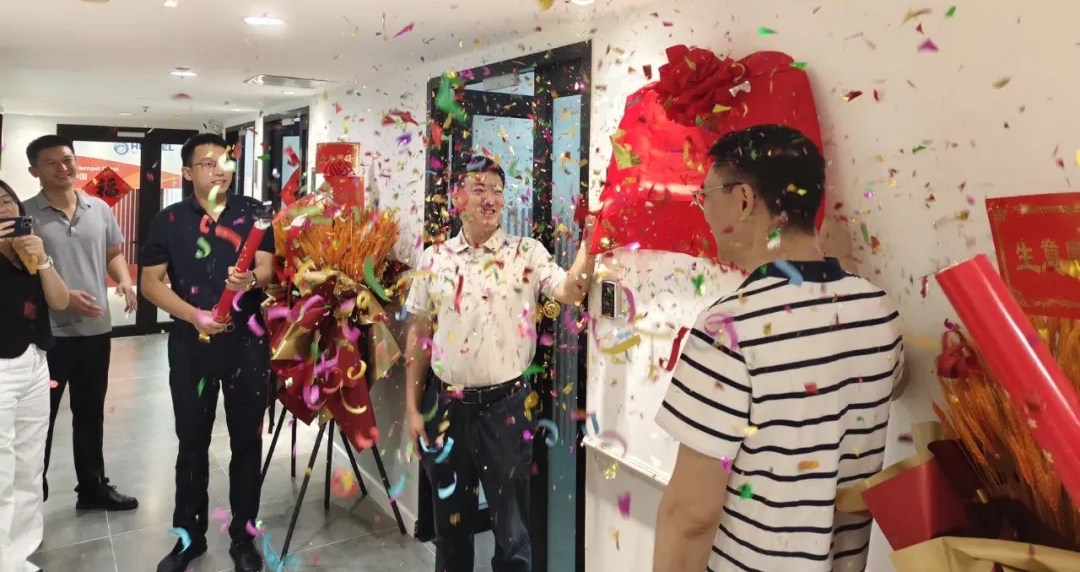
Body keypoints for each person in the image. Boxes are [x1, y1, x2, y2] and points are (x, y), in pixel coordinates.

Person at [652, 125, 904, 572]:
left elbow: (691, 516)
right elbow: (876, 383)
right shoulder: (877, 309)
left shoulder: (729, 329)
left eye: (705, 196)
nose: (703, 212)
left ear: (743, 200)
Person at [404, 154, 596, 572]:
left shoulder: (525, 253)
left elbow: (570, 290)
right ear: (458, 198)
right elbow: (419, 336)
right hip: (447, 409)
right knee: (450, 529)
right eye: (479, 189)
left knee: (512, 535)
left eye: (497, 190)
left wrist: (590, 244)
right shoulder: (434, 258)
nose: (490, 199)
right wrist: (414, 408)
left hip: (506, 409)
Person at [139, 133, 273, 572]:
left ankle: (243, 538)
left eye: (225, 162)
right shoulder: (169, 219)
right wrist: (194, 315)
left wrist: (250, 280)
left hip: (246, 342)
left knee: (247, 441)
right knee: (192, 441)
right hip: (191, 345)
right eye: (208, 163)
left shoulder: (253, 213)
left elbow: (268, 267)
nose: (219, 170)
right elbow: (150, 283)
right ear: (188, 172)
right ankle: (188, 537)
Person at [22, 135, 139, 510]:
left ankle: (92, 488)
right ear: (34, 171)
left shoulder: (99, 208)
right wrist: (62, 297)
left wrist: (124, 279)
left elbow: (112, 253)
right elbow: (21, 277)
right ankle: (29, 498)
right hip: (48, 337)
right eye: (52, 163)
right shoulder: (24, 216)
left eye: (68, 159)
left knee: (90, 414)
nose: (63, 167)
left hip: (95, 333)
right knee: (40, 419)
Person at [0, 180, 70, 572]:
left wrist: (42, 260)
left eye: (7, 200)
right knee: (1, 469)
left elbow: (59, 301)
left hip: (35, 360)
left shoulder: (29, 247)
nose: (3, 208)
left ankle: (20, 553)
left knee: (29, 463)